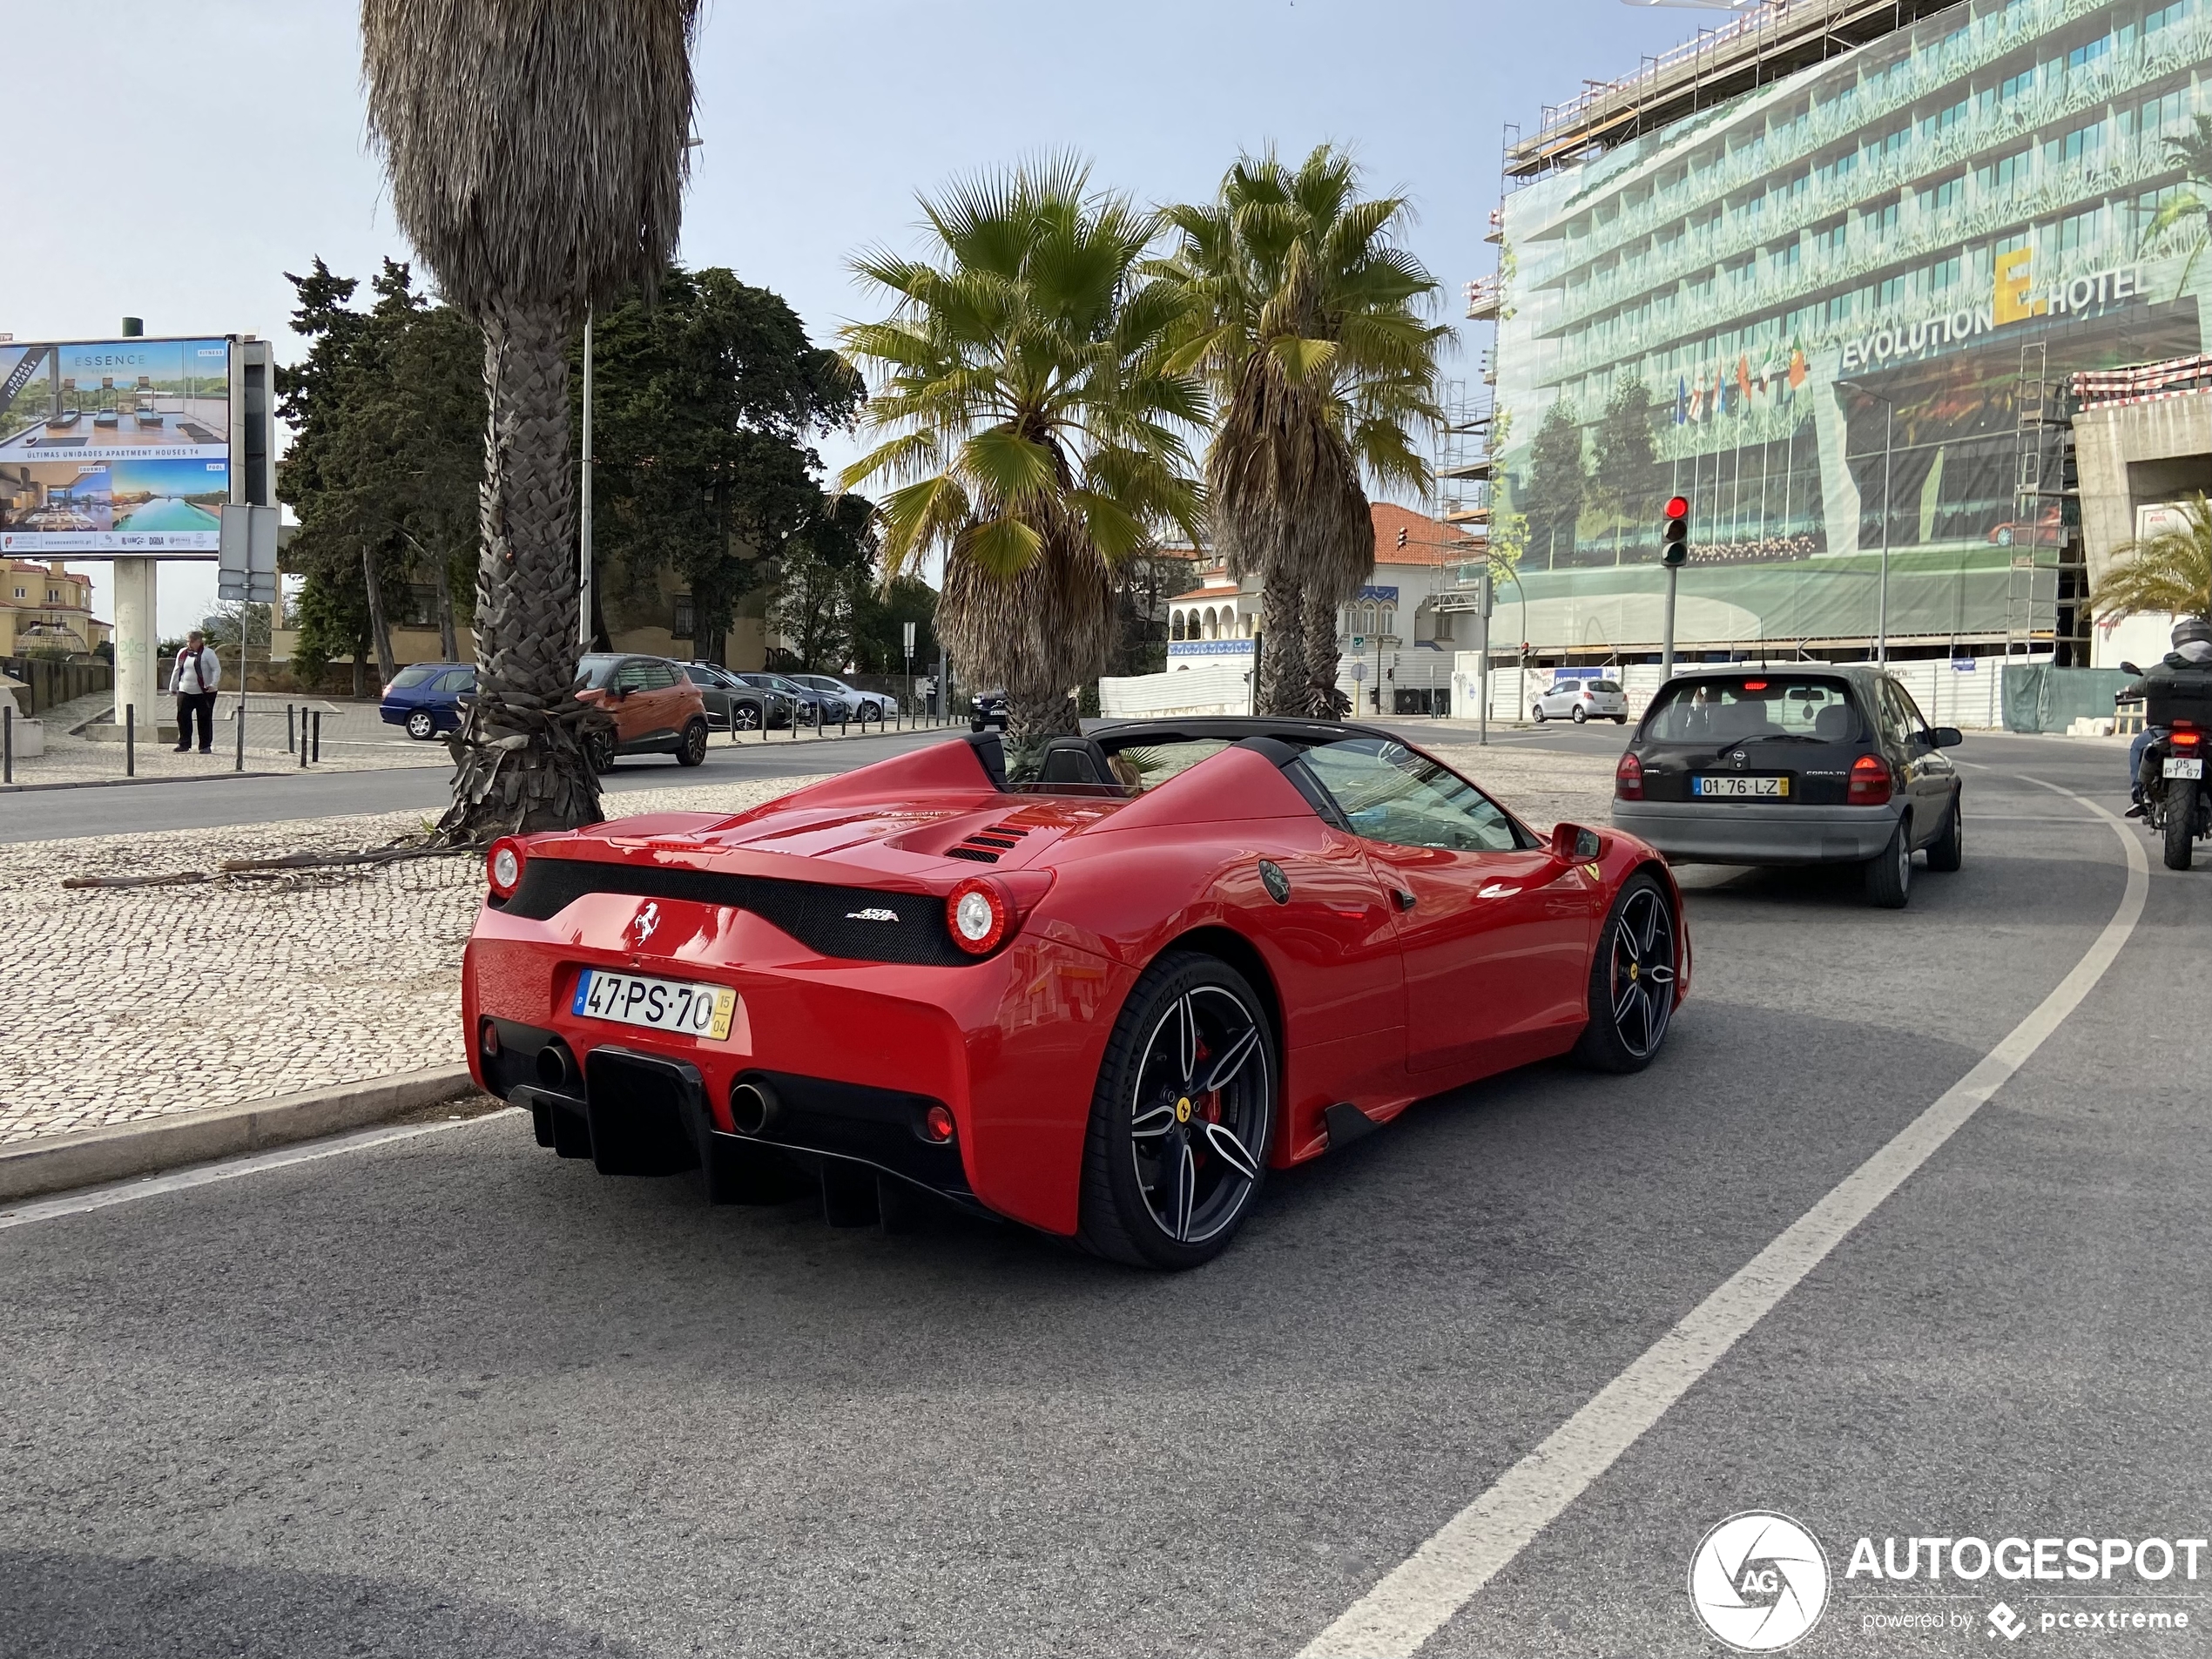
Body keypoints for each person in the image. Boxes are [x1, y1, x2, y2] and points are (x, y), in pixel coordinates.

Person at [2126, 617, 2212, 815]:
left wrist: (2129, 690)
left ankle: (2139, 794)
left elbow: (2138, 687)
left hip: (2164, 732)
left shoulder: (2166, 666)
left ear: (2178, 641)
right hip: (2208, 733)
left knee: (2139, 745)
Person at [170, 631, 221, 754]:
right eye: (188, 641)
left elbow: (216, 669)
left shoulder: (208, 654)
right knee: (182, 717)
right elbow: (177, 669)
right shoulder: (183, 653)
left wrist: (213, 684)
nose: (189, 644)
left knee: (204, 718)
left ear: (199, 641)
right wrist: (173, 686)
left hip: (204, 691)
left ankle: (205, 745)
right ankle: (184, 743)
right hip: (185, 689)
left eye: (192, 641)